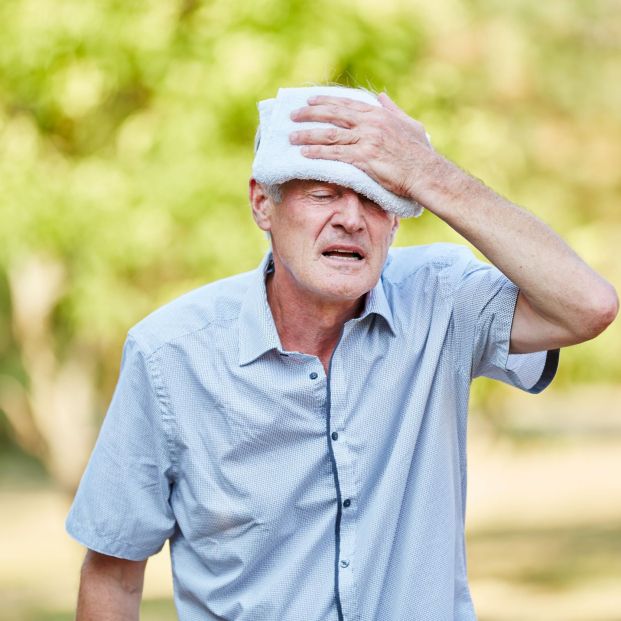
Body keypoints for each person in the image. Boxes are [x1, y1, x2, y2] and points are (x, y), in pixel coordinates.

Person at [66, 86, 618, 621]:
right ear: (263, 203)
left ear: (398, 217)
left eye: (378, 196)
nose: (352, 219)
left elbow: (587, 306)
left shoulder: (442, 300)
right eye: (323, 193)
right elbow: (112, 574)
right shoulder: (170, 354)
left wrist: (428, 173)